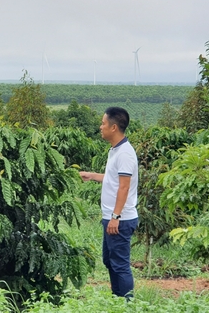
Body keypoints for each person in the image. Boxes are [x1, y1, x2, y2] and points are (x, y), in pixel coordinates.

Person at [79, 107, 139, 298]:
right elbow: (114, 179)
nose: (100, 127)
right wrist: (92, 176)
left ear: (114, 127)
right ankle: (117, 299)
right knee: (109, 260)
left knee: (120, 264)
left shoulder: (125, 154)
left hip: (119, 219)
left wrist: (115, 216)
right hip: (112, 218)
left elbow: (124, 187)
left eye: (103, 123)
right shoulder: (116, 150)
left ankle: (127, 303)